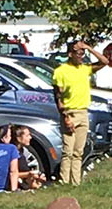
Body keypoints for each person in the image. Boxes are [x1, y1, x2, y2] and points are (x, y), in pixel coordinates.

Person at [50, 39, 96, 187]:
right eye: (78, 52)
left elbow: (105, 62)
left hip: (83, 112)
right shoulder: (61, 71)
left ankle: (76, 182)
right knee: (68, 151)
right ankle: (64, 181)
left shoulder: (84, 69)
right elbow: (58, 97)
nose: (81, 55)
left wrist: (89, 47)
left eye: (83, 53)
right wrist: (65, 117)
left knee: (78, 152)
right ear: (70, 54)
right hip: (69, 113)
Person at [11, 125, 48, 189]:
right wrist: (29, 174)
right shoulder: (12, 152)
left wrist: (38, 176)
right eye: (27, 135)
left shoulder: (23, 150)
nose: (30, 137)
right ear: (18, 138)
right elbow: (12, 173)